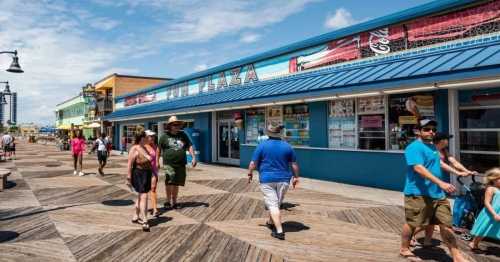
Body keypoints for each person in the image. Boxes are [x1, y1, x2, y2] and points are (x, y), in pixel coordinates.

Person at [399, 119, 467, 261]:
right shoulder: (414, 148)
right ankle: (404, 248)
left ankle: (456, 255)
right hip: (417, 194)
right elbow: (418, 168)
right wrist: (441, 183)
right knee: (413, 223)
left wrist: (457, 172)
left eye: (433, 129)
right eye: (427, 129)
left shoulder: (432, 147)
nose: (431, 132)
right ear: (418, 131)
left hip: (437, 194)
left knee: (446, 224)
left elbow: (439, 163)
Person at [413, 132, 476, 247]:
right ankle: (411, 235)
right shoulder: (430, 149)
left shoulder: (444, 150)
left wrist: (466, 171)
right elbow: (441, 164)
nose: (448, 141)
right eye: (447, 139)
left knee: (433, 216)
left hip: (437, 184)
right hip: (426, 184)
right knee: (428, 215)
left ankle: (427, 241)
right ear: (441, 140)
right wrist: (458, 172)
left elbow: (453, 161)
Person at [247, 122, 300, 240]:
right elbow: (294, 164)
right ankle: (271, 222)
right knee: (276, 204)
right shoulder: (287, 146)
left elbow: (253, 163)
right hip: (284, 180)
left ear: (268, 133)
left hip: (267, 179)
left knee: (273, 205)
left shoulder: (262, 146)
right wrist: (296, 177)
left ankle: (279, 231)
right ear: (279, 133)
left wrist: (250, 173)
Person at [158, 116, 196, 209]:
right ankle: (167, 201)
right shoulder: (164, 136)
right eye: (175, 125)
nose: (177, 126)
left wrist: (193, 157)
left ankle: (174, 202)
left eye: (178, 124)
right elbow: (158, 150)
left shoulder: (183, 135)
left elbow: (190, 146)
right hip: (169, 164)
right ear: (170, 126)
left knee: (176, 183)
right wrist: (156, 161)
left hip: (181, 164)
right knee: (170, 182)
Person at [126, 131, 153, 232]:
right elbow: (129, 163)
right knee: (144, 195)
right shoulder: (135, 148)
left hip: (147, 173)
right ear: (142, 138)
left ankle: (136, 215)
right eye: (146, 137)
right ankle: (145, 220)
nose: (148, 138)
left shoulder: (145, 147)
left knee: (140, 196)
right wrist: (128, 176)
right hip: (138, 173)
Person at [469, 168, 500, 251]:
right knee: (484, 229)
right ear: (493, 180)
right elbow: (487, 203)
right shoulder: (491, 189)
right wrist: (494, 214)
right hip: (490, 213)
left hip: (498, 213)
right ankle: (474, 243)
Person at [144, 130, 160, 217]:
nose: (153, 138)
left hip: (153, 171)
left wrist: (157, 163)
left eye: (153, 136)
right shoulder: (142, 147)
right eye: (151, 136)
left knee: (153, 188)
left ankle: (155, 209)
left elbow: (157, 157)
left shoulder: (155, 146)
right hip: (144, 171)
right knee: (144, 191)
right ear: (146, 137)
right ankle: (141, 208)